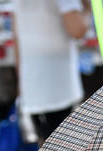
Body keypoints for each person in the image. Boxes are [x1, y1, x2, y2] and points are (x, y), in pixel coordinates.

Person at [13, 0, 87, 143]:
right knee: (61, 146)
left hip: (32, 82)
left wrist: (21, 79)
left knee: (44, 143)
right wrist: (87, 9)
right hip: (58, 84)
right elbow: (77, 30)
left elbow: (16, 37)